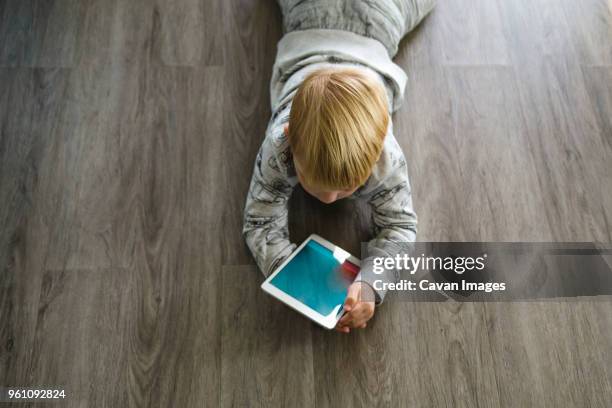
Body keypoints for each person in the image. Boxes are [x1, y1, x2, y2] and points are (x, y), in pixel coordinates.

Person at [243, 0, 436, 333]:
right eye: (311, 180)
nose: (330, 199)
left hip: (374, 20)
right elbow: (259, 223)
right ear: (290, 138)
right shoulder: (280, 146)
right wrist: (303, 280)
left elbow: (401, 227)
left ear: (376, 156)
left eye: (347, 187)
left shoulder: (385, 155)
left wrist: (372, 284)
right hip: (328, 17)